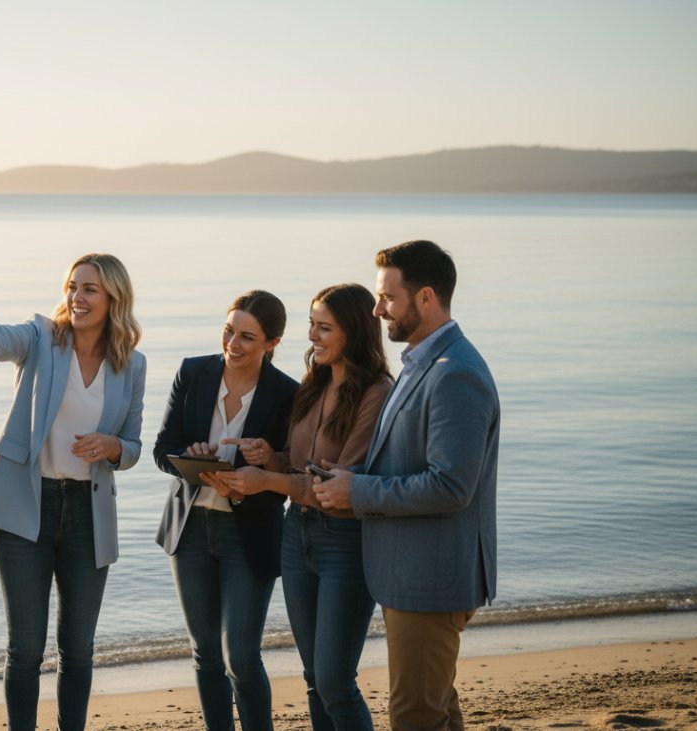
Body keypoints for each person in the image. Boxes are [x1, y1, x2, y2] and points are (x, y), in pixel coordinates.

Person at [0, 253, 146, 731]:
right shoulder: (42, 337)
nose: (76, 298)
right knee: (24, 648)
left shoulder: (132, 364)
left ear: (113, 299)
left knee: (78, 649)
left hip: (88, 513)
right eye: (72, 287)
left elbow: (136, 445)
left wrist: (113, 446)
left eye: (89, 290)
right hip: (27, 505)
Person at [313, 240, 499, 731]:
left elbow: (450, 486)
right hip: (416, 575)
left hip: (430, 579)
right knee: (435, 710)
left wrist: (358, 492)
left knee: (414, 716)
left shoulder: (456, 374)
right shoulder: (423, 364)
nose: (376, 310)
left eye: (387, 299)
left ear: (425, 299)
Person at [214, 283, 393, 730]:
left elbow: (335, 488)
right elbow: (301, 467)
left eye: (324, 328)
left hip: (345, 543)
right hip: (297, 536)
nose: (312, 336)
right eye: (312, 325)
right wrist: (268, 456)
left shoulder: (376, 392)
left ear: (353, 331)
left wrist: (267, 480)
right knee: (314, 678)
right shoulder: (314, 382)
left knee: (335, 681)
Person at [152, 290, 298, 731]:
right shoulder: (193, 372)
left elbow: (291, 470)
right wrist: (189, 458)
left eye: (247, 337)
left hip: (248, 534)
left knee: (242, 656)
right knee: (205, 654)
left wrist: (267, 459)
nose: (233, 343)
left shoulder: (288, 393)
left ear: (272, 343)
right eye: (229, 331)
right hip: (190, 528)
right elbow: (163, 451)